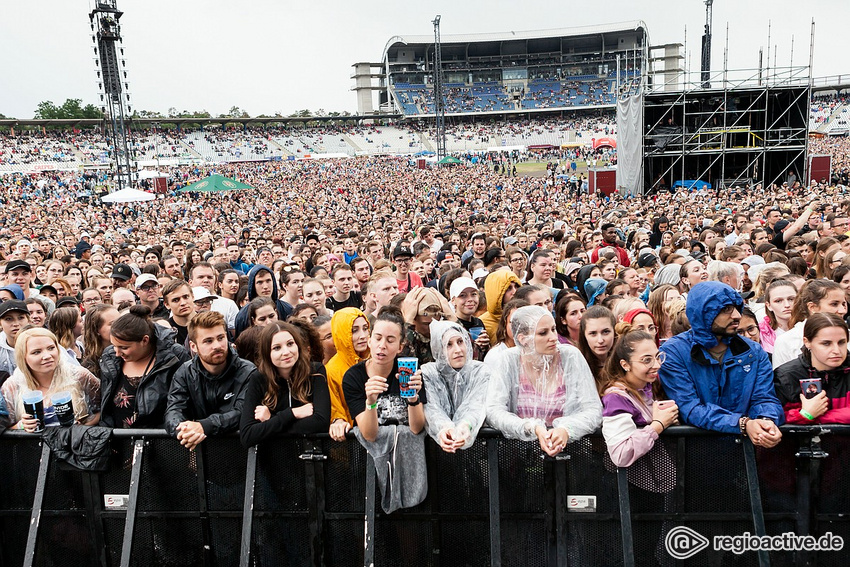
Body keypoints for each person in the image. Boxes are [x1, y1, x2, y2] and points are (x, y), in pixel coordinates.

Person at [658, 282, 784, 445]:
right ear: (704, 313)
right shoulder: (675, 352)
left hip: (747, 448)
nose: (737, 315)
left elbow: (765, 398)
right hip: (695, 450)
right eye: (726, 310)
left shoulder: (753, 350)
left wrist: (765, 422)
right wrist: (743, 424)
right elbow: (690, 408)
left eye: (736, 308)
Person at [485, 305, 602, 456]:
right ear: (523, 339)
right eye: (543, 333)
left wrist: (566, 430)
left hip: (570, 453)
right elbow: (494, 410)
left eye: (553, 329)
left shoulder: (570, 356)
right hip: (519, 455)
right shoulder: (508, 360)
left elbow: (593, 408)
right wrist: (531, 428)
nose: (553, 337)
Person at [599, 330, 677, 491]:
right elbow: (620, 454)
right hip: (631, 489)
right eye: (646, 360)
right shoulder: (616, 398)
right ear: (625, 364)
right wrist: (657, 426)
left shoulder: (652, 385)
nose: (656, 365)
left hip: (657, 483)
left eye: (657, 357)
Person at [165, 312, 256, 450]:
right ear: (193, 346)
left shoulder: (248, 372)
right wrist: (183, 431)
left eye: (221, 338)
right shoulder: (184, 372)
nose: (217, 346)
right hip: (199, 449)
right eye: (208, 341)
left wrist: (204, 426)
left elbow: (242, 412)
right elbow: (174, 409)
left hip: (241, 449)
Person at [239, 321, 331, 446]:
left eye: (290, 344)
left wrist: (270, 420)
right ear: (267, 353)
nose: (286, 352)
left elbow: (321, 422)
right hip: (274, 460)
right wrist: (292, 413)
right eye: (277, 348)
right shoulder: (259, 378)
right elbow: (248, 435)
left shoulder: (315, 371)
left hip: (312, 458)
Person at [342, 306, 426, 442]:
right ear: (369, 341)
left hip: (407, 450)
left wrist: (413, 397)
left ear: (400, 347)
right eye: (378, 338)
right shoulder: (353, 376)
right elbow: (369, 435)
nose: (382, 345)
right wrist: (371, 402)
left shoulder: (409, 370)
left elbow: (416, 428)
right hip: (371, 455)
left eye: (390, 340)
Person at [99, 305, 191, 428]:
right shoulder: (110, 356)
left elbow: (184, 402)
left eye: (124, 347)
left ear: (145, 340)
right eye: (114, 345)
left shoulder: (174, 356)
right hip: (118, 439)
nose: (117, 353)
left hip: (163, 439)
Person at [1, 328, 101, 431]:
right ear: (23, 357)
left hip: (75, 444)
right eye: (36, 352)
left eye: (51, 348)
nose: (47, 356)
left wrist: (82, 428)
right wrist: (21, 426)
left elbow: (104, 411)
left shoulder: (80, 376)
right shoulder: (12, 386)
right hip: (33, 445)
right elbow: (4, 428)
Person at [421, 320, 490, 452]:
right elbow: (432, 408)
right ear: (439, 350)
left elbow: (476, 405)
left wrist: (466, 425)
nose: (457, 350)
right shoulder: (429, 373)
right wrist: (445, 428)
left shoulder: (480, 371)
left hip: (476, 447)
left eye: (460, 342)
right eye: (449, 345)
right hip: (439, 447)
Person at [774, 313, 850, 424]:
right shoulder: (786, 377)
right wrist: (805, 414)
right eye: (826, 343)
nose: (836, 350)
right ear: (807, 342)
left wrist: (809, 416)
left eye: (841, 342)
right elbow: (774, 420)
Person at [772, 280, 848, 369]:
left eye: (843, 304)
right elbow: (783, 377)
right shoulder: (786, 341)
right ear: (812, 307)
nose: (842, 310)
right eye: (834, 304)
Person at [326, 307, 370, 441]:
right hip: (351, 440)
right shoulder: (332, 369)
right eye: (354, 330)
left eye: (365, 328)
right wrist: (338, 420)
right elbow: (335, 407)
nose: (362, 335)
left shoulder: (376, 358)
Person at [480, 269, 522, 346]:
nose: (514, 292)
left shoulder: (525, 315)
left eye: (516, 287)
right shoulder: (484, 324)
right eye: (508, 289)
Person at [578, 306, 617, 383]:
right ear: (584, 335)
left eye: (605, 332)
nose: (600, 340)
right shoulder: (577, 367)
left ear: (614, 332)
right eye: (593, 333)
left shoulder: (626, 361)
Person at [81, 304, 120, 378]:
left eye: (121, 320)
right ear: (96, 330)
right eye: (113, 323)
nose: (120, 326)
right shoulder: (89, 367)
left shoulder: (129, 354)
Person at [759, 280, 797, 354]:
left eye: (791, 299)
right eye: (778, 301)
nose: (787, 305)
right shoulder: (760, 333)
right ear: (768, 305)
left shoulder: (810, 327)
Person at [0, 300, 31, 376]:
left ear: (28, 320)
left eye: (21, 318)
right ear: (0, 323)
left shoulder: (44, 341)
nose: (16, 324)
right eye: (8, 319)